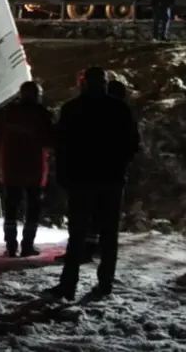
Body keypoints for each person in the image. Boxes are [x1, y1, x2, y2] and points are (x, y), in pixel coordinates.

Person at [47, 67, 139, 300]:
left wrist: (64, 176)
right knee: (109, 234)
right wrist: (120, 168)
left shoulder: (72, 108)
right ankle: (105, 283)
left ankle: (68, 285)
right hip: (111, 179)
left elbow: (61, 145)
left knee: (77, 233)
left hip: (81, 179)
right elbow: (132, 144)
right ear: (105, 83)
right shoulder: (120, 109)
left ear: (84, 83)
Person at [0, 81, 54, 257]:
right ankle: (27, 245)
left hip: (11, 166)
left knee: (11, 206)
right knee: (33, 207)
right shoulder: (42, 114)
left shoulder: (8, 113)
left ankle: (11, 245)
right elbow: (50, 141)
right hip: (34, 167)